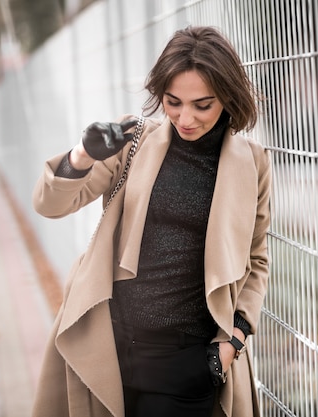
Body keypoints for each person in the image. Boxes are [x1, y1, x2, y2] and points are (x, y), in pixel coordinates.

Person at [31, 26, 271, 417]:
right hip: (109, 348)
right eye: (173, 101)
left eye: (202, 104)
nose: (185, 117)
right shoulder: (134, 140)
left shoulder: (253, 162)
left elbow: (257, 260)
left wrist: (231, 346)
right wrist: (82, 156)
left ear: (227, 97)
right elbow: (50, 204)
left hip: (185, 361)